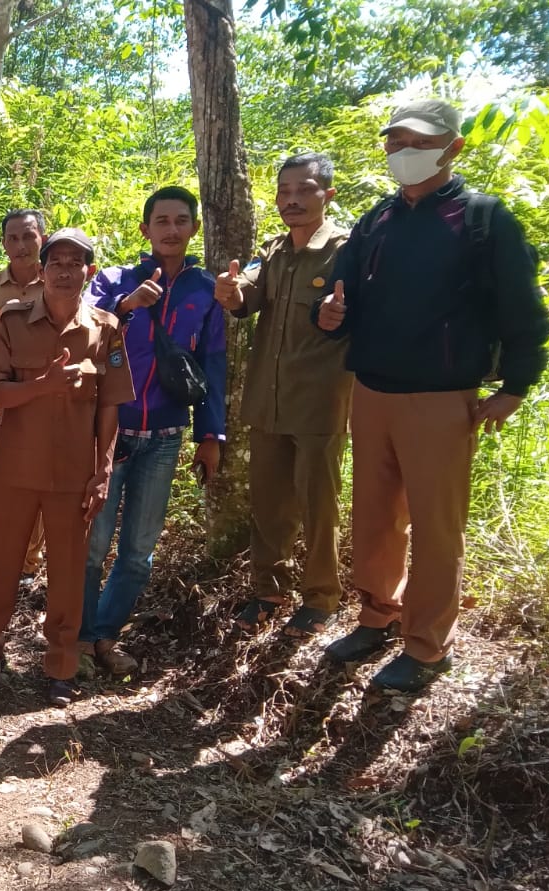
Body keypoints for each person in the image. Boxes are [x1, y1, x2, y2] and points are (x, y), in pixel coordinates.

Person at [313, 99, 549, 691]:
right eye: (394, 144)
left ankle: (426, 646)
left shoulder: (483, 220)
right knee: (372, 517)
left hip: (442, 398)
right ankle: (377, 615)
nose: (402, 154)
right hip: (370, 391)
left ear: (452, 147)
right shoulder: (377, 221)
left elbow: (525, 312)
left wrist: (516, 387)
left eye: (415, 143)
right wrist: (331, 314)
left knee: (437, 526)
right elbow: (342, 302)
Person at [0, 228, 131, 705]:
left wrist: (102, 472)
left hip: (73, 478)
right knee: (1, 569)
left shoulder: (104, 328)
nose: (64, 270)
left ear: (89, 272)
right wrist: (43, 384)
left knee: (68, 574)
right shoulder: (12, 321)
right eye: (55, 261)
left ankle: (61, 665)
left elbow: (110, 408)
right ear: (41, 271)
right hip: (13, 473)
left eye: (74, 262)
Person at [81, 186, 227, 676]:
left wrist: (211, 436)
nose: (171, 229)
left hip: (165, 435)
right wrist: (125, 305)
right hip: (110, 434)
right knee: (92, 545)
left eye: (180, 220)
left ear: (193, 228)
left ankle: (104, 636)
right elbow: (84, 333)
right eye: (160, 220)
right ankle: (76, 639)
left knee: (139, 552)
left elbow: (212, 363)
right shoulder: (112, 279)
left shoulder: (205, 289)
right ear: (145, 229)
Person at [214, 153, 351, 638]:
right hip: (267, 403)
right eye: (284, 190)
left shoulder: (346, 251)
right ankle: (268, 592)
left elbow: (361, 315)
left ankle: (321, 598)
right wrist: (230, 292)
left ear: (327, 194)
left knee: (318, 506)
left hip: (318, 403)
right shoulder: (272, 252)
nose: (291, 199)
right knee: (269, 503)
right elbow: (246, 295)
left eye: (304, 189)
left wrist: (344, 315)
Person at [0, 209, 50, 579]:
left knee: (36, 482)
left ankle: (28, 564)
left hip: (42, 403)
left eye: (28, 237)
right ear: (3, 243)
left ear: (42, 240)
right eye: (13, 238)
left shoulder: (57, 285)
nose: (21, 246)